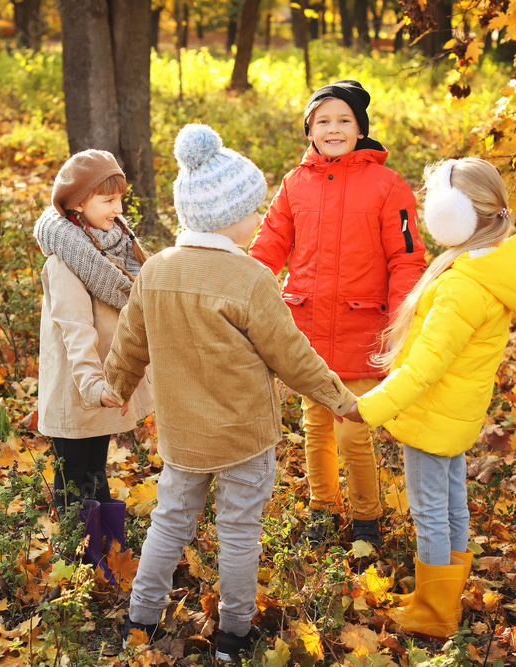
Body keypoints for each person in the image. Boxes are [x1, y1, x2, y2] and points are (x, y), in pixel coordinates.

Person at [104, 124, 362, 663]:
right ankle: (235, 635)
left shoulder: (156, 270)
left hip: (183, 435)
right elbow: (291, 356)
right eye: (255, 212)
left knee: (169, 522)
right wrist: (341, 400)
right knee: (240, 532)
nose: (261, 220)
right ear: (227, 217)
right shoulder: (249, 278)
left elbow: (131, 341)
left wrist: (115, 388)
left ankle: (140, 619)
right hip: (245, 434)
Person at [357, 157, 516, 638]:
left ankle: (436, 615)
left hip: (430, 416)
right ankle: (442, 596)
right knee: (453, 505)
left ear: (453, 214)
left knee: (430, 513)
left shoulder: (463, 285)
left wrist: (367, 408)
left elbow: (425, 367)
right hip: (454, 414)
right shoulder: (491, 265)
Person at [249, 79, 427, 548]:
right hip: (305, 329)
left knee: (353, 432)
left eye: (343, 120)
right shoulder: (294, 184)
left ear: (360, 128)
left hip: (362, 327)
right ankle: (322, 509)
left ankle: (367, 516)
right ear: (309, 129)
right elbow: (269, 245)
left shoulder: (387, 185)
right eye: (323, 121)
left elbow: (406, 258)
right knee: (316, 428)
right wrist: (240, 283)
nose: (333, 129)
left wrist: (400, 319)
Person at [34, 149, 154, 580]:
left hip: (103, 387)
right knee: (73, 480)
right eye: (107, 201)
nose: (118, 210)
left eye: (120, 199)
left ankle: (110, 553)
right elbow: (74, 330)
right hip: (79, 389)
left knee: (96, 474)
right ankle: (80, 564)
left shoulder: (117, 248)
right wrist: (92, 386)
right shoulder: (65, 260)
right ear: (78, 203)